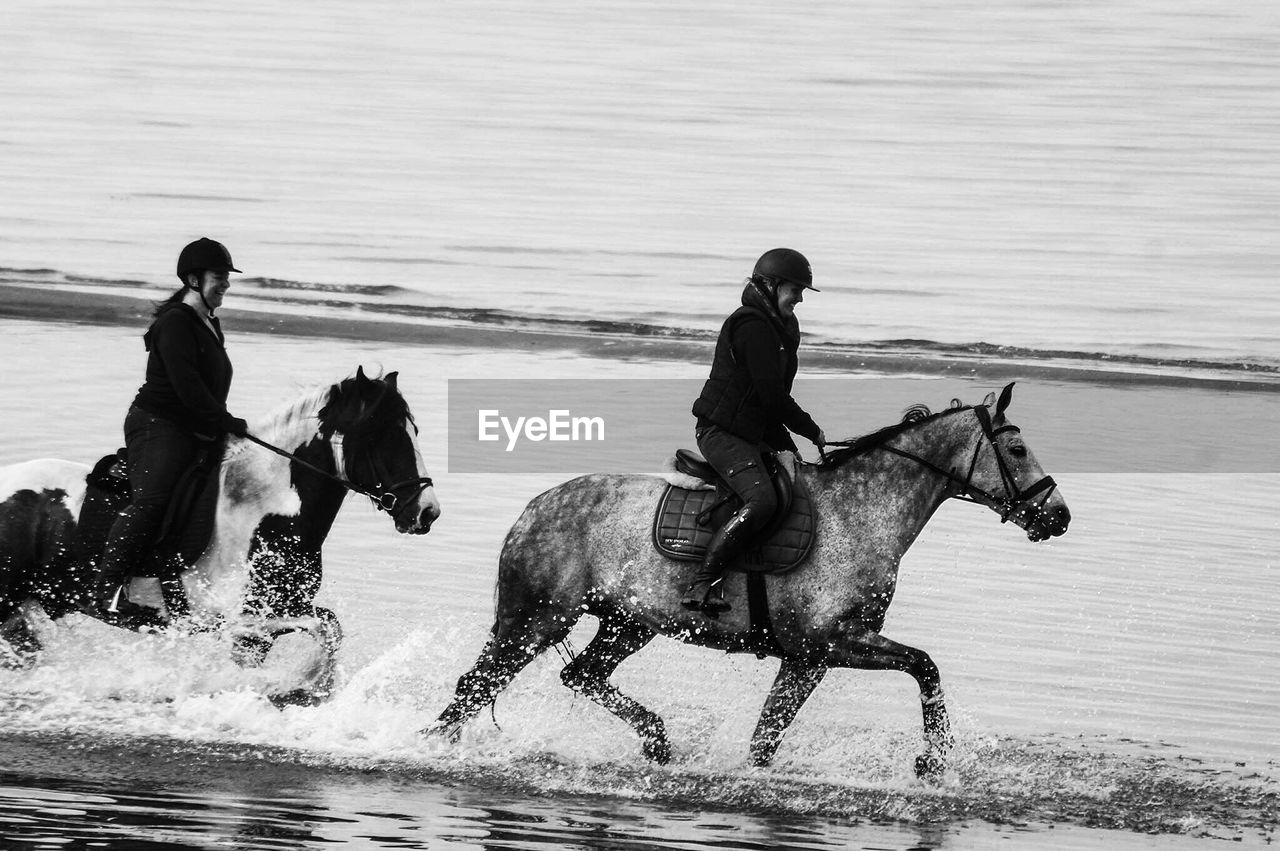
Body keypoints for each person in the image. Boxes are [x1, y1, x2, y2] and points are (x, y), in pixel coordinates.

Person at [95, 238, 249, 623]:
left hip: (194, 425)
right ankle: (108, 592)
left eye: (228, 278)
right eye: (220, 277)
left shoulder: (209, 321)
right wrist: (223, 420)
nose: (226, 284)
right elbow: (187, 387)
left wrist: (222, 421)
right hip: (158, 424)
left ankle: (172, 577)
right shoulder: (176, 322)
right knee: (153, 501)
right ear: (194, 280)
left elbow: (206, 389)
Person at [685, 248, 826, 613]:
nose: (799, 298)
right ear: (770, 284)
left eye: (802, 292)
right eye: (795, 290)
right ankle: (702, 583)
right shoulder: (752, 325)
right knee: (763, 500)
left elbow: (767, 406)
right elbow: (772, 397)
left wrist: (788, 445)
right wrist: (810, 430)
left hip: (748, 432)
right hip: (720, 433)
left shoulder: (777, 329)